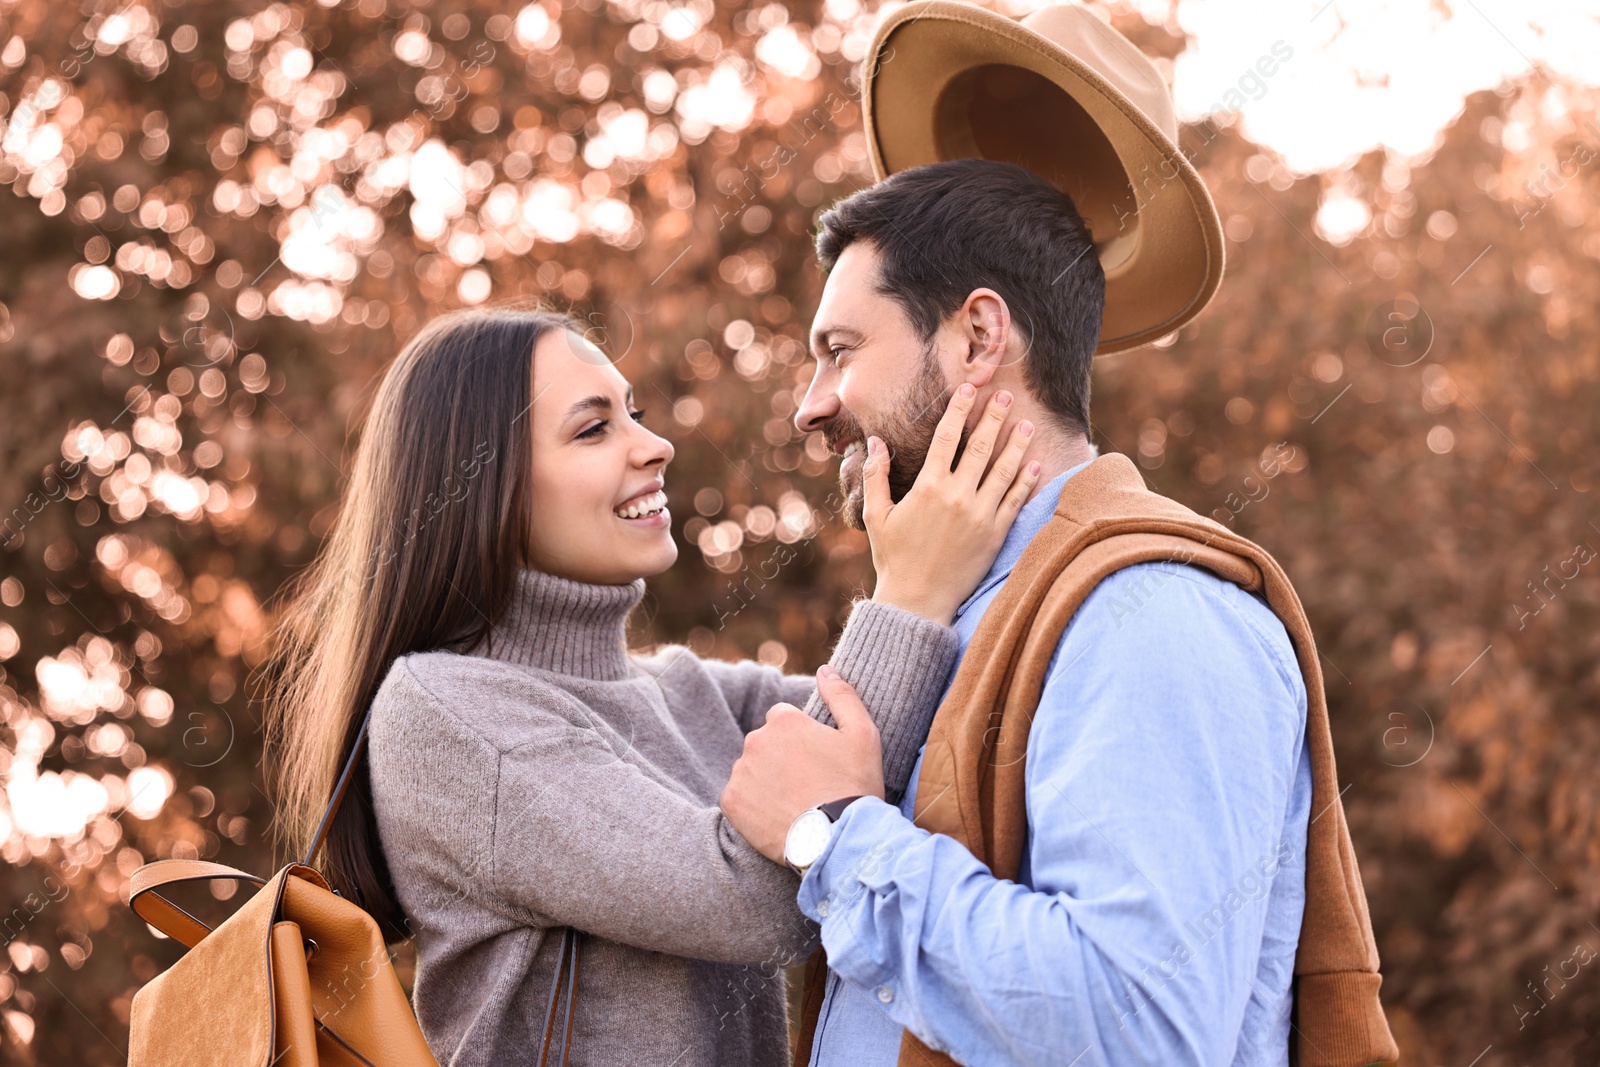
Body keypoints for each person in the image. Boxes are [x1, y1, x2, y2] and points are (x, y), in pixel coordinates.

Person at [719, 79, 1392, 1067]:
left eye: (840, 352)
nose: (809, 407)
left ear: (979, 337)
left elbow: (1135, 1025)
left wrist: (832, 839)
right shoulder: (964, 614)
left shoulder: (1145, 609)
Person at [260, 305, 1042, 1067]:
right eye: (595, 427)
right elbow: (757, 901)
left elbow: (911, 726)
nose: (656, 445)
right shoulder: (447, 711)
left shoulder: (687, 692)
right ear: (483, 485)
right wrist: (910, 590)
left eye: (635, 414)